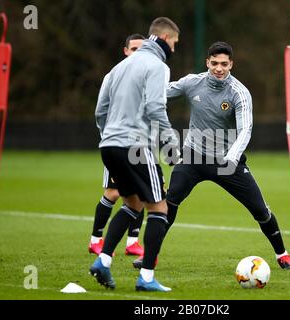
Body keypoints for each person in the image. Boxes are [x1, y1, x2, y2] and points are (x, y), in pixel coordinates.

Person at [133, 41, 290, 270]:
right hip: (193, 157)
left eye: (224, 64)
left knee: (259, 209)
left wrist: (230, 159)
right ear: (207, 62)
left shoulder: (239, 93)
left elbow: (245, 130)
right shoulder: (193, 82)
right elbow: (162, 92)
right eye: (214, 63)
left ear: (231, 64)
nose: (219, 68)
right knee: (169, 202)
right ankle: (150, 255)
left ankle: (283, 254)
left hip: (227, 161)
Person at [89, 17, 181, 292]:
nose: (174, 48)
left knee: (133, 204)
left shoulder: (117, 68)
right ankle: (147, 278)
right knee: (159, 208)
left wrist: (109, 137)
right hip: (136, 146)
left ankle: (103, 262)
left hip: (109, 146)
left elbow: (100, 111)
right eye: (174, 43)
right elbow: (155, 107)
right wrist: (170, 145)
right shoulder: (158, 66)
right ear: (165, 39)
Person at [89, 34, 146, 258]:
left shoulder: (146, 77)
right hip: (117, 146)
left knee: (143, 192)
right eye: (133, 49)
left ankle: (133, 242)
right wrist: (109, 137)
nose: (137, 54)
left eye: (142, 50)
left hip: (140, 145)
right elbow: (100, 111)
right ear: (125, 51)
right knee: (113, 193)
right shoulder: (113, 76)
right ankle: (95, 240)